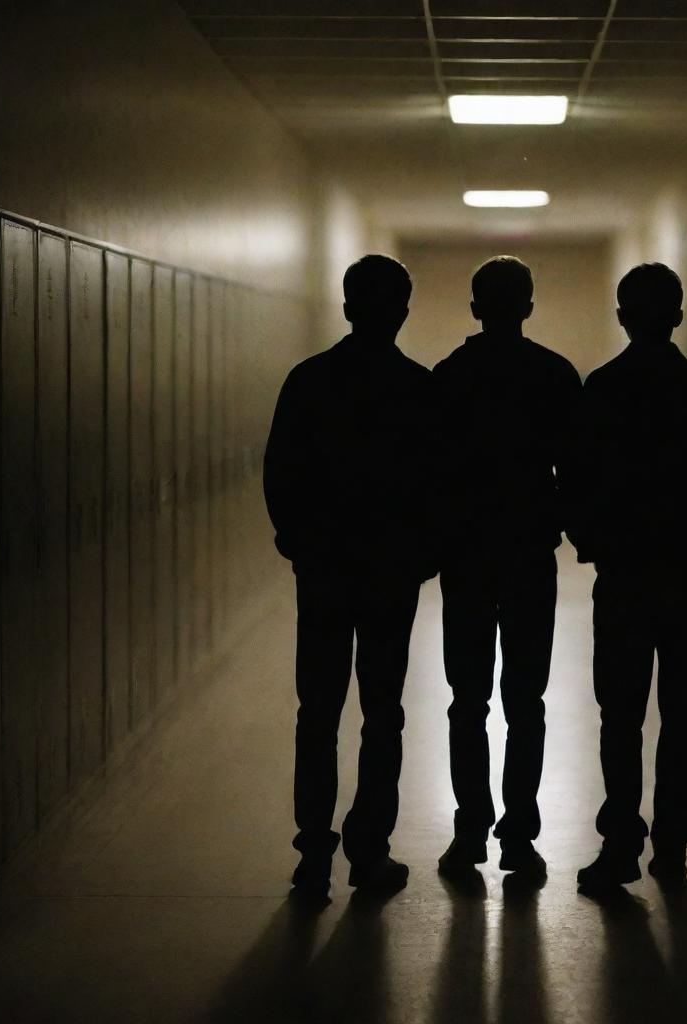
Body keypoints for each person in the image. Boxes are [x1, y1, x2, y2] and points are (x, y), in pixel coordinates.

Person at [263, 254, 438, 902]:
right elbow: (437, 486)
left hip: (327, 572)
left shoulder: (309, 381)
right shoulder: (418, 388)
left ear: (346, 307)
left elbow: (280, 472)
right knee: (382, 713)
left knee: (319, 711)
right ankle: (370, 853)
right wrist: (424, 554)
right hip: (391, 574)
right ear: (402, 311)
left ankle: (313, 856)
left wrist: (300, 543)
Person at [571, 262, 687, 893]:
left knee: (619, 716)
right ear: (678, 314)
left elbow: (578, 483)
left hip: (624, 582)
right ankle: (672, 846)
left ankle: (621, 844)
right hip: (685, 584)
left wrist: (593, 543)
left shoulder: (602, 388)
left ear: (623, 317)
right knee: (682, 718)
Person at [432, 255, 583, 881]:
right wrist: (572, 531)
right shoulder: (552, 375)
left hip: (466, 557)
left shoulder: (449, 376)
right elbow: (577, 470)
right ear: (528, 307)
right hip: (527, 556)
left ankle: (470, 831)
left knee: (467, 699)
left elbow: (429, 476)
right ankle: (518, 834)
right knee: (526, 699)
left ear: (474, 307)